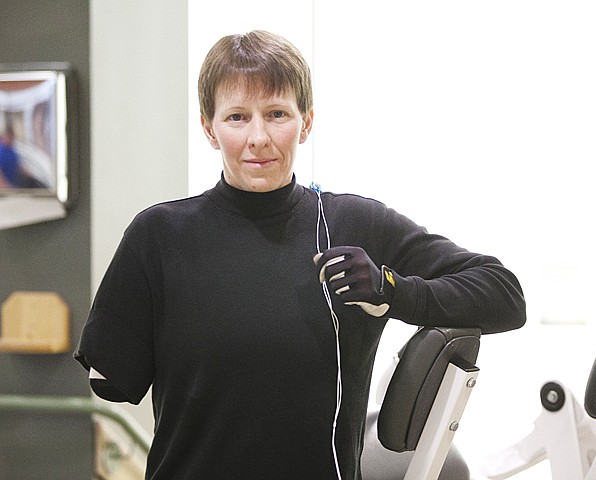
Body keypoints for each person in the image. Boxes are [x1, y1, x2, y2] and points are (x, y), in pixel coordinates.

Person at [75, 30, 526, 480]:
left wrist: (394, 291)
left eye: (276, 114)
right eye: (236, 117)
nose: (258, 137)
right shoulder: (158, 237)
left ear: (306, 122)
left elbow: (504, 294)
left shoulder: (355, 224)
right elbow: (111, 379)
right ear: (209, 128)